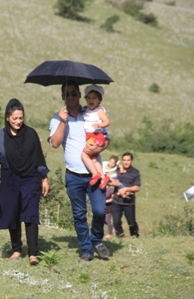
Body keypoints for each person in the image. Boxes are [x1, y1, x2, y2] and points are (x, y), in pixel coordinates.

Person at [48, 81, 110, 262]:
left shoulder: (90, 112)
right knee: (79, 215)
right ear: (62, 97)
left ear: (79, 94)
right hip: (73, 176)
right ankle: (86, 250)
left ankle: (96, 240)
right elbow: (54, 143)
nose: (71, 97)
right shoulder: (57, 117)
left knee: (99, 211)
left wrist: (98, 149)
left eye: (74, 93)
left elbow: (106, 138)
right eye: (67, 94)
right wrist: (62, 122)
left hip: (94, 174)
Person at [0, 98, 49, 266]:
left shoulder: (31, 134)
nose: (19, 121)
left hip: (31, 178)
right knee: (12, 213)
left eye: (21, 118)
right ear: (7, 117)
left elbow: (39, 158)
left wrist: (44, 178)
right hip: (9, 177)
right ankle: (17, 249)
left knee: (30, 213)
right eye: (15, 118)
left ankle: (33, 253)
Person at [81, 84, 110, 189]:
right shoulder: (88, 110)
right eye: (88, 98)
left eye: (94, 98)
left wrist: (99, 125)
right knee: (93, 159)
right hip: (90, 136)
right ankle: (103, 176)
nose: (91, 100)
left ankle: (94, 174)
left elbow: (107, 121)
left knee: (84, 155)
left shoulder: (99, 110)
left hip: (96, 135)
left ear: (99, 100)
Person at [110, 152, 141, 238]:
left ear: (131, 161)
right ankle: (120, 237)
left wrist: (126, 189)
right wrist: (113, 184)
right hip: (116, 201)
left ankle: (135, 236)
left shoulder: (135, 172)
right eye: (124, 160)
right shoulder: (116, 170)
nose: (126, 162)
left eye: (128, 160)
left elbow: (137, 188)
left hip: (129, 202)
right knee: (116, 222)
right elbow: (108, 180)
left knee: (131, 222)